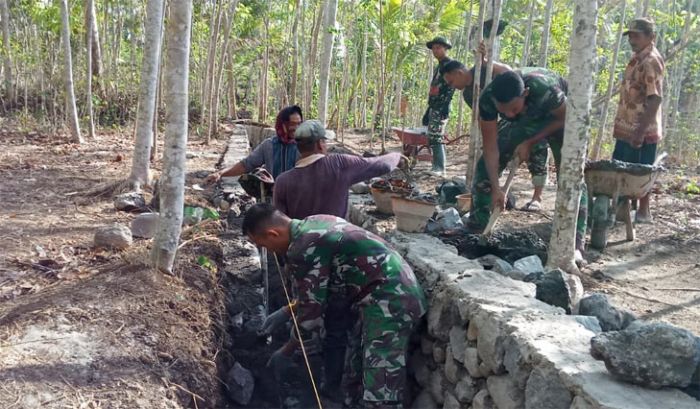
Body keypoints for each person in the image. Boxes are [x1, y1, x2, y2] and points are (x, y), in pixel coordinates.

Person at [243, 204, 427, 408]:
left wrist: (286, 350)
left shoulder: (303, 248)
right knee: (354, 373)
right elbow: (320, 289)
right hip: (378, 295)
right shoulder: (313, 222)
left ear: (273, 234)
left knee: (380, 383)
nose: (269, 252)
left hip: (391, 300)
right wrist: (287, 311)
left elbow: (311, 315)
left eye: (265, 246)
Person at [444, 65, 588, 259]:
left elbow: (565, 117)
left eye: (513, 108)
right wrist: (496, 188)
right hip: (526, 119)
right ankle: (478, 226)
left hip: (560, 117)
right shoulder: (487, 100)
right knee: (483, 170)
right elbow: (490, 147)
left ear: (525, 94)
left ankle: (575, 242)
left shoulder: (545, 90)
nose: (509, 114)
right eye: (504, 111)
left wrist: (531, 141)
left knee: (571, 174)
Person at [442, 52, 551, 212]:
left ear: (458, 73)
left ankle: (537, 197)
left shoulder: (485, 68)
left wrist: (526, 140)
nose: (452, 86)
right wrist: (488, 142)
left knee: (538, 149)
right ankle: (490, 200)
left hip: (527, 107)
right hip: (507, 117)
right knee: (491, 158)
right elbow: (485, 118)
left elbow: (510, 74)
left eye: (451, 81)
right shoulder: (467, 94)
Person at [273, 120, 407, 220]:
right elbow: (380, 165)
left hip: (302, 251)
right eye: (325, 141)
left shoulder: (282, 181)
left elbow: (281, 223)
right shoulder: (339, 164)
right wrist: (397, 156)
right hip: (337, 248)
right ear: (320, 144)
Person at [612, 18, 664, 223]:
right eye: (630, 36)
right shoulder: (636, 59)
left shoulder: (650, 61)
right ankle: (622, 209)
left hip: (641, 130)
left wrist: (640, 132)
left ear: (651, 37)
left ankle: (643, 211)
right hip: (626, 126)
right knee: (622, 169)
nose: (632, 39)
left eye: (637, 35)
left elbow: (654, 98)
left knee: (641, 172)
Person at [206, 105, 303, 183]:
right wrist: (220, 173)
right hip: (274, 202)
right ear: (282, 124)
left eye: (299, 124)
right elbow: (246, 165)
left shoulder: (306, 146)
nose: (296, 127)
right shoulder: (269, 146)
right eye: (292, 124)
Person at [422, 36, 456, 177]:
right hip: (434, 106)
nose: (435, 51)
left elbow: (451, 86)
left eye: (438, 48)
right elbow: (435, 88)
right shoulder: (439, 65)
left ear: (445, 49)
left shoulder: (449, 64)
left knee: (437, 136)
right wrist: (429, 108)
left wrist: (445, 106)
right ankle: (436, 166)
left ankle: (440, 168)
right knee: (433, 136)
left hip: (442, 106)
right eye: (434, 48)